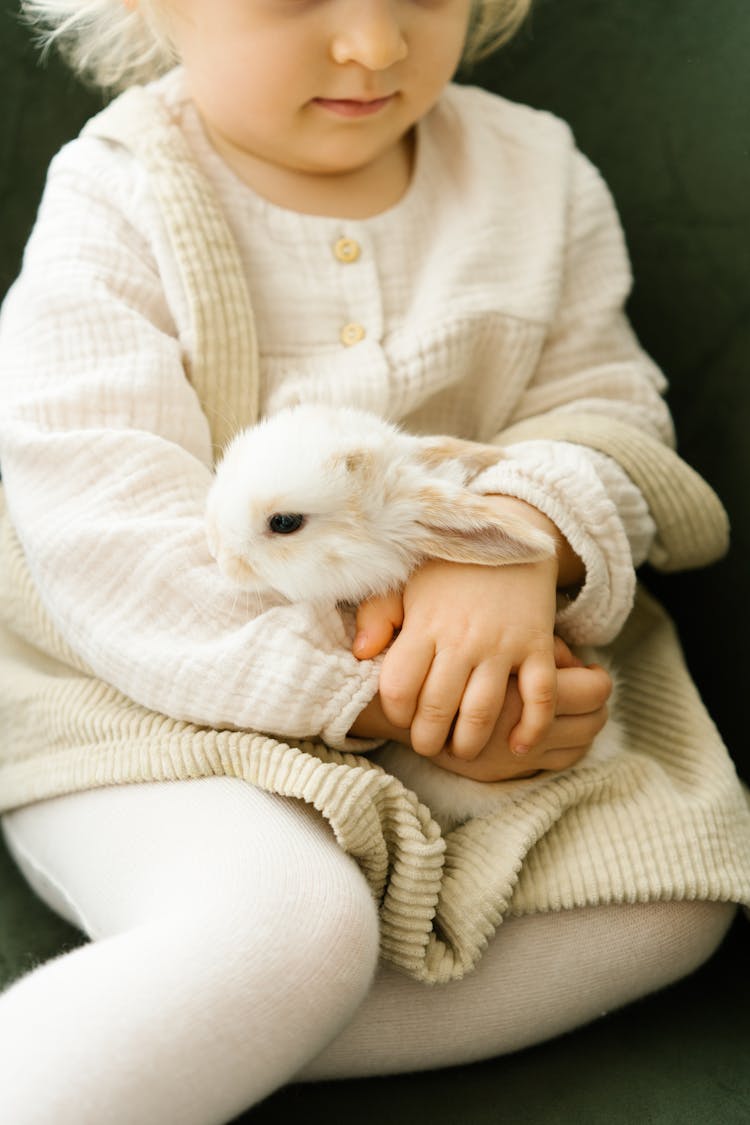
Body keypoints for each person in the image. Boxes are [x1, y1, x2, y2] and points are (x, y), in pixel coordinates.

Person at [0, 1, 747, 1121]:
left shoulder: (537, 175)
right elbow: (112, 544)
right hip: (147, 706)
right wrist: (394, 691)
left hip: (472, 702)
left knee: (663, 892)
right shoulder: (119, 192)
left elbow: (609, 414)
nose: (376, 46)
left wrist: (514, 548)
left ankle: (188, 1025)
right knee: (292, 923)